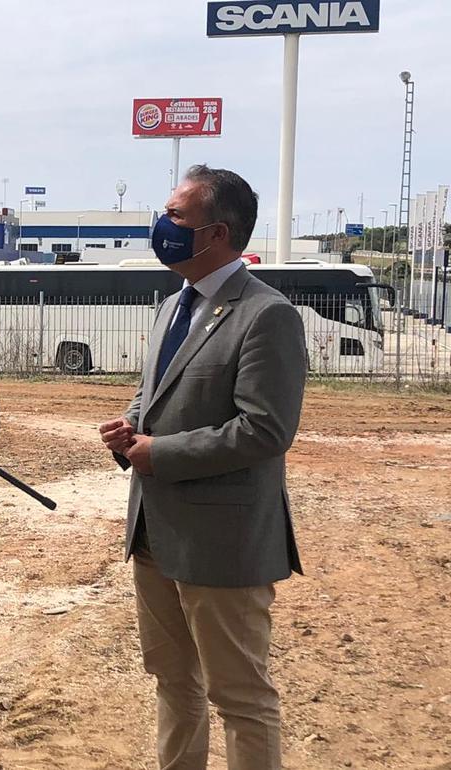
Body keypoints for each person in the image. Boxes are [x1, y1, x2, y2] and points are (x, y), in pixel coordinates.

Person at [98, 165, 307, 770]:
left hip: (223, 541)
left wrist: (159, 453)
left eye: (175, 215)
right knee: (173, 681)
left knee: (240, 697)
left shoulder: (266, 314)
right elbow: (154, 395)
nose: (161, 225)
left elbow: (265, 429)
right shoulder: (172, 305)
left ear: (217, 233)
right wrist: (129, 428)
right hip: (153, 532)